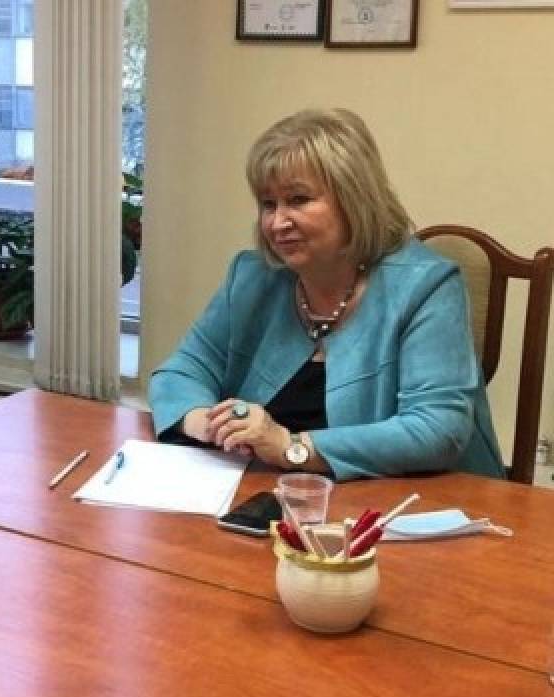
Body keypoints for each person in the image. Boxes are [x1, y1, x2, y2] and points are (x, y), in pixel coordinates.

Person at [148, 108, 504, 480]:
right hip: (269, 497)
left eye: (298, 200)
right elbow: (180, 372)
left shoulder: (427, 286)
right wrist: (206, 423)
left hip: (404, 507)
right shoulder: (253, 277)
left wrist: (290, 447)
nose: (277, 222)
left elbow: (437, 430)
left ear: (354, 200)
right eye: (269, 204)